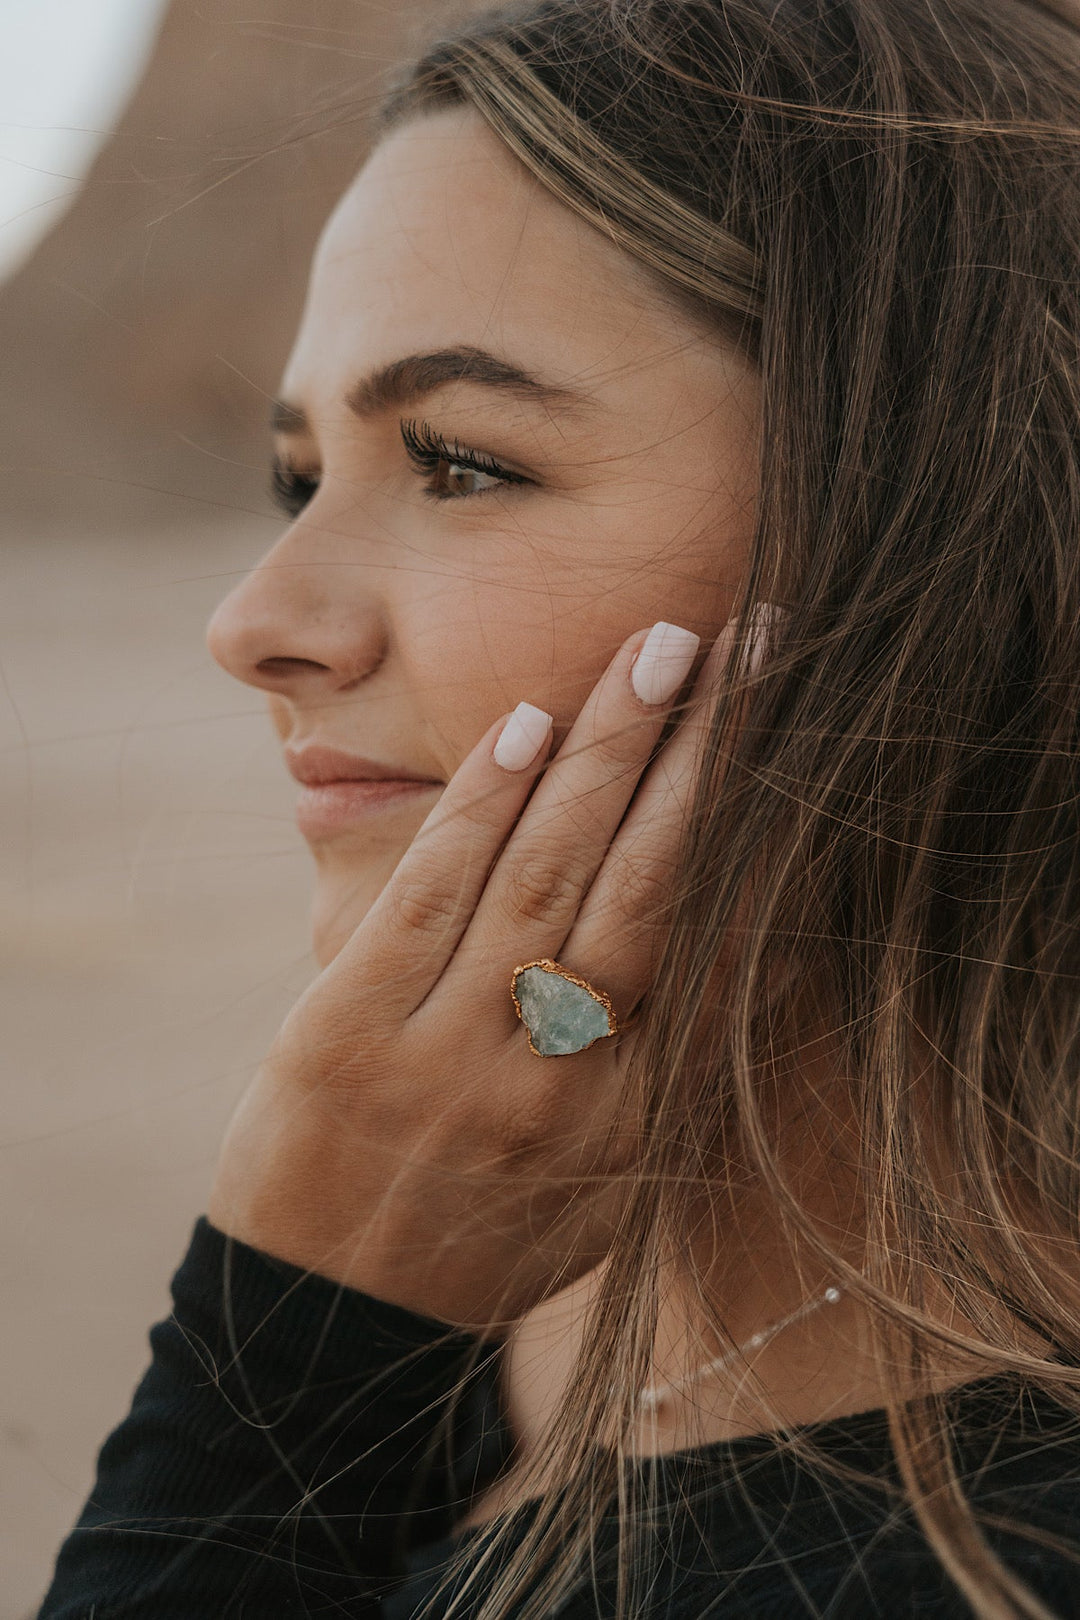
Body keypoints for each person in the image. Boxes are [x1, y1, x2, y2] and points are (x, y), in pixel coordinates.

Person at [35, 0, 1080, 1615]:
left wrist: (278, 1373)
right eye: (301, 478)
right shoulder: (508, 1301)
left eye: (457, 460)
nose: (255, 623)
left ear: (941, 544)